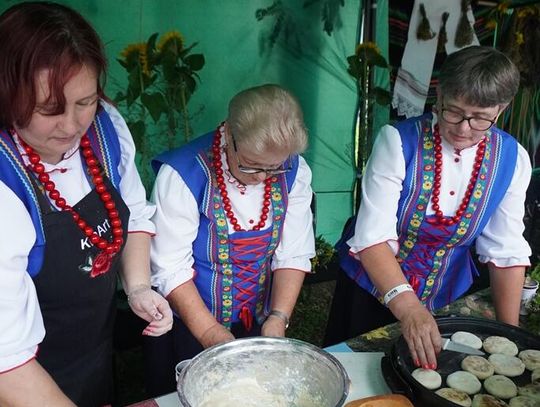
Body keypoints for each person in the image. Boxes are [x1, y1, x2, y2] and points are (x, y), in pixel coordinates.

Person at [0, 3, 173, 406]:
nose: (72, 125)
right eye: (49, 109)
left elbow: (133, 213)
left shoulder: (106, 128)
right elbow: (6, 362)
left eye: (85, 101)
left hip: (91, 347)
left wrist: (138, 286)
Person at [325, 46, 531, 370]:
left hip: (445, 292)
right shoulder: (397, 141)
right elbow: (372, 237)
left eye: (480, 119)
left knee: (427, 378)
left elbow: (505, 252)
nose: (463, 129)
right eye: (454, 112)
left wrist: (510, 337)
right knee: (361, 374)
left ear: (501, 109)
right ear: (439, 93)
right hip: (373, 287)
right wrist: (409, 308)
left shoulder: (512, 158)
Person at [145, 83, 316, 396]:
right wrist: (211, 334)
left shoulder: (293, 169)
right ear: (227, 137)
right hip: (194, 319)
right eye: (251, 165)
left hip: (259, 318)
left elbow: (292, 253)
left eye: (274, 168)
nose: (263, 177)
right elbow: (170, 267)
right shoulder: (183, 174)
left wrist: (278, 318)